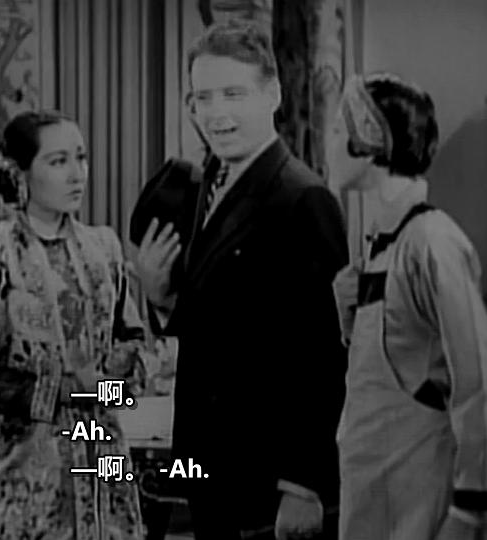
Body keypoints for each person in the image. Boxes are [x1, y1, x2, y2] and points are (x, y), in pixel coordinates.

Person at [132, 20, 348, 540]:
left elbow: (322, 355)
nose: (216, 113)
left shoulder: (302, 199)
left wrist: (303, 485)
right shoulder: (205, 187)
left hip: (267, 479)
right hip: (213, 468)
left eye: (233, 94)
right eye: (203, 98)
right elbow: (225, 323)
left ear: (272, 95)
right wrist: (162, 300)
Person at [0, 110, 146, 539]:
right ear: (19, 174)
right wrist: (56, 390)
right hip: (28, 474)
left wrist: (105, 383)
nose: (77, 174)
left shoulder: (104, 250)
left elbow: (133, 345)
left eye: (81, 158)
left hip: (105, 465)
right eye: (58, 161)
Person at [328, 72, 487, 540]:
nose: (328, 142)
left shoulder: (432, 242)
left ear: (367, 140)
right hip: (370, 503)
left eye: (337, 129)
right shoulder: (380, 246)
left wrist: (469, 508)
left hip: (420, 509)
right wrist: (349, 319)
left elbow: (476, 379)